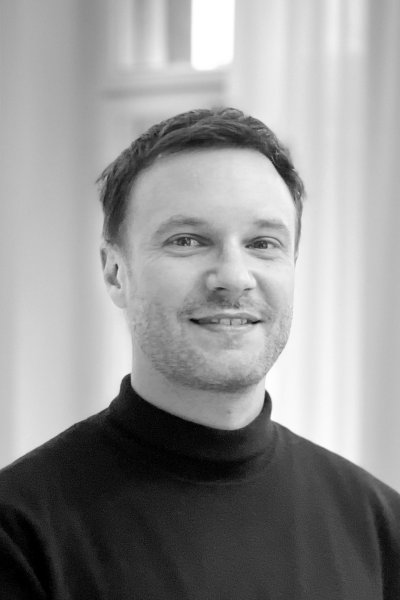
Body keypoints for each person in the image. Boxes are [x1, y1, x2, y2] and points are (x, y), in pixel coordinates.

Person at [0, 107, 399, 599]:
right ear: (115, 272)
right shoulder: (19, 533)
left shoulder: (380, 528)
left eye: (263, 243)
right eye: (187, 240)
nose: (233, 276)